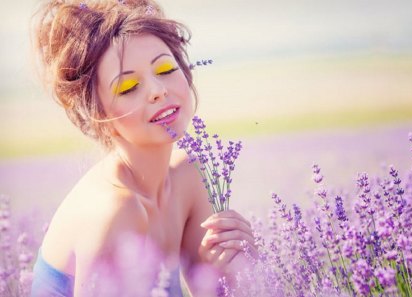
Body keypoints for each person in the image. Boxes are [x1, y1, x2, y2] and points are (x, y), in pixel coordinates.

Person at [30, 0, 256, 296]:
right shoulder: (114, 212)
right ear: (98, 113)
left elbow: (215, 292)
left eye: (164, 69)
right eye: (127, 87)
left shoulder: (188, 175)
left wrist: (239, 266)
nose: (157, 91)